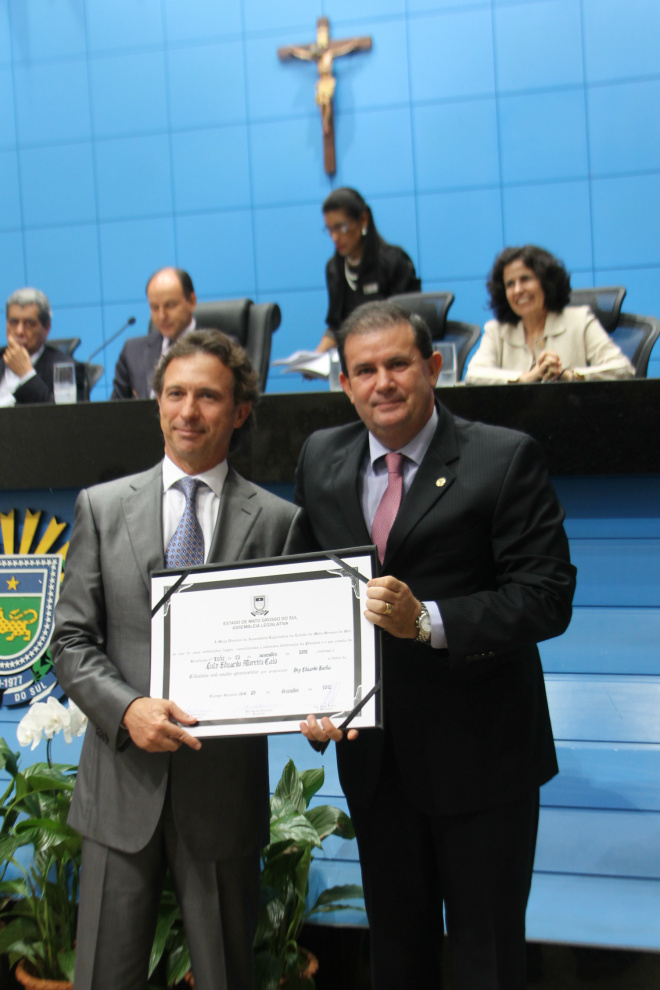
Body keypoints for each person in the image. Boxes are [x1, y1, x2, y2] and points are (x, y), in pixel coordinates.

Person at [295, 301, 576, 990]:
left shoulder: (503, 457)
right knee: (397, 954)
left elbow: (546, 596)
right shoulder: (322, 458)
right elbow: (309, 591)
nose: (382, 382)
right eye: (365, 370)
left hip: (482, 759)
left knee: (487, 957)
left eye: (397, 364)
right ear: (344, 383)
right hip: (377, 763)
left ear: (433, 365)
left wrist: (430, 622)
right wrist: (309, 692)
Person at [52, 330, 301, 990]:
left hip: (222, 795)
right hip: (121, 788)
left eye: (209, 397)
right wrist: (127, 708)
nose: (189, 410)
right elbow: (71, 641)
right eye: (175, 393)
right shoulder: (102, 509)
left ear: (241, 410)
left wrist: (320, 699)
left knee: (226, 976)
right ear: (155, 402)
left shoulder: (278, 522)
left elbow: (295, 650)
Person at [465, 245, 634, 384]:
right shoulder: (497, 330)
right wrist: (524, 378)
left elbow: (622, 369)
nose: (517, 290)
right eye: (510, 284)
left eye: (525, 279)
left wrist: (568, 375)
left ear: (546, 283)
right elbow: (474, 375)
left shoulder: (580, 320)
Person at [316, 187, 420, 352]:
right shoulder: (334, 269)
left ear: (363, 219)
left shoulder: (394, 261)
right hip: (354, 357)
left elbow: (411, 322)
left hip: (393, 351)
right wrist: (314, 358)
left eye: (341, 227)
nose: (335, 237)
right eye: (330, 229)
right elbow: (336, 326)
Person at [111, 266, 198, 399]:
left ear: (192, 302)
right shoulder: (132, 352)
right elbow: (115, 412)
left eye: (170, 305)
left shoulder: (220, 348)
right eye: (155, 308)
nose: (162, 316)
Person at [0, 288, 86, 405]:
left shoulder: (67, 370)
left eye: (29, 324)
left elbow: (68, 418)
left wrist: (27, 375)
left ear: (46, 328)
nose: (19, 331)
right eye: (14, 322)